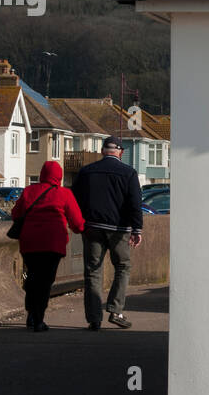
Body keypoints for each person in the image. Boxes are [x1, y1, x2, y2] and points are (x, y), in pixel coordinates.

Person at [72, 136, 143, 330]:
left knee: (92, 271)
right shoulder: (128, 173)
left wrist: (80, 223)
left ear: (103, 151)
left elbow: (75, 199)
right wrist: (137, 229)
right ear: (120, 152)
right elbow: (135, 203)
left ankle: (94, 318)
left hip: (92, 227)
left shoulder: (86, 171)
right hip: (119, 229)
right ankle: (115, 310)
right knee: (122, 267)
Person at [11, 160, 84, 332]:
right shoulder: (64, 193)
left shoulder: (29, 191)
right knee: (45, 281)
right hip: (53, 243)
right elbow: (77, 222)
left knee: (33, 276)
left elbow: (16, 214)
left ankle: (31, 311)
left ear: (42, 174)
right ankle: (38, 318)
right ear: (59, 176)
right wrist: (80, 229)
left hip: (30, 242)